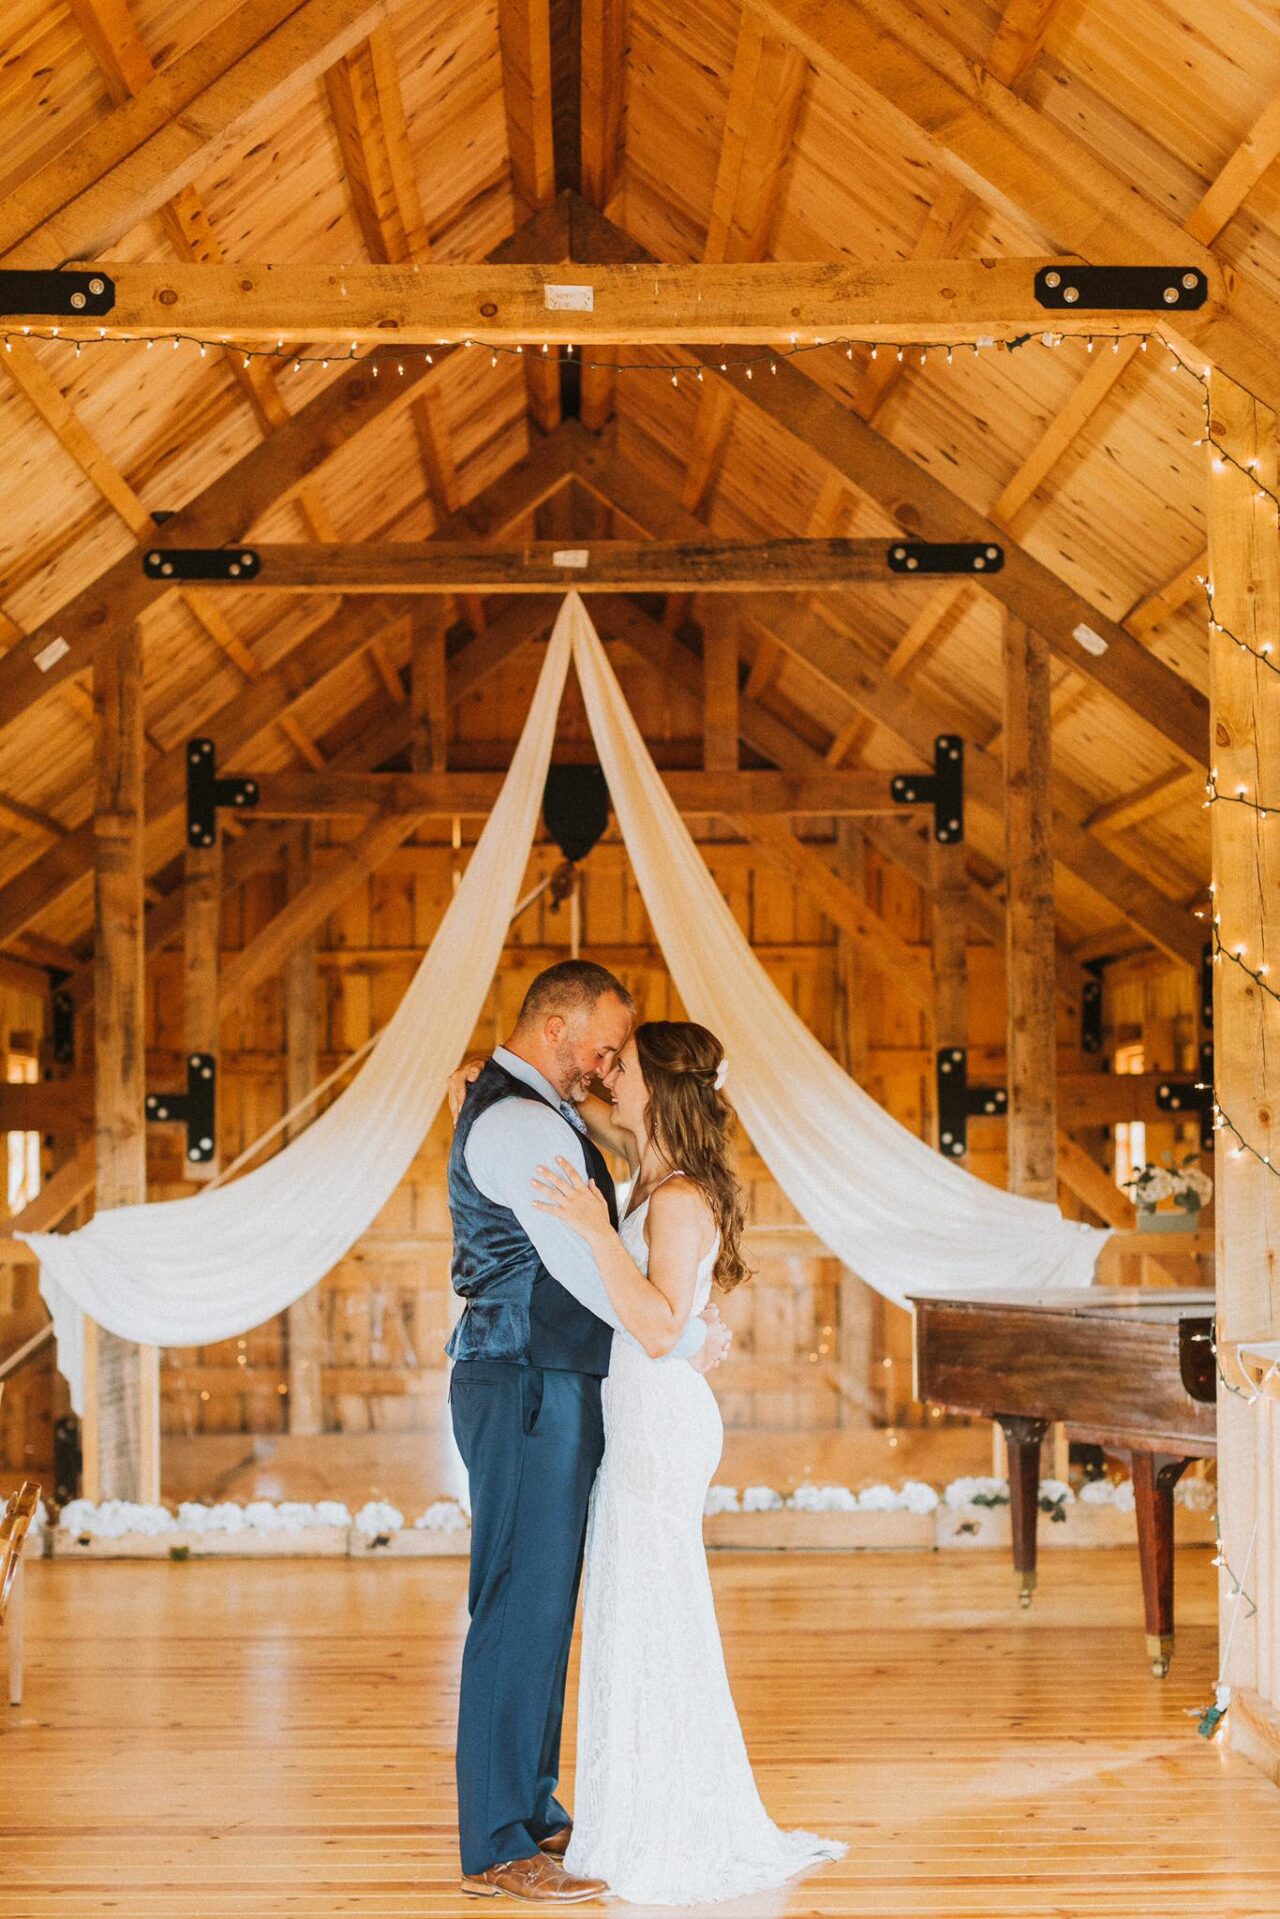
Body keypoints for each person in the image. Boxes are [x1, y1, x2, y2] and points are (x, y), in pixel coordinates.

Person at [527, 1016, 847, 1905]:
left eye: (620, 1065)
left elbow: (662, 1322)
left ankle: (667, 1823)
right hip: (646, 1408)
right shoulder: (656, 1176)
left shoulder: (669, 1197)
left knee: (652, 1609)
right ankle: (636, 1807)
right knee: (637, 1609)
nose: (605, 1073)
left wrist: (596, 1232)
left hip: (659, 1422)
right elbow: (679, 1318)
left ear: (660, 1087)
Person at [442, 961, 732, 1902]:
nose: (609, 1066)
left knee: (542, 1602)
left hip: (551, 1380)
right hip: (526, 1378)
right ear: (558, 1026)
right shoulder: (525, 1122)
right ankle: (495, 1841)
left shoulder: (536, 1110)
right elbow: (583, 1273)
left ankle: (529, 1805)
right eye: (603, 1046)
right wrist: (688, 1333)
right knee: (518, 1603)